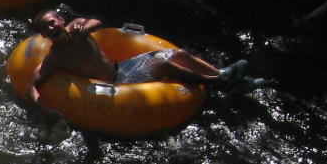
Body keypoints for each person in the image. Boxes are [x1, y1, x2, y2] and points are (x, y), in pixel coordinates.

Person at [24, 9, 253, 114]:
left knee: (180, 54)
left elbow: (96, 22)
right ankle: (220, 83)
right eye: (45, 28)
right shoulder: (56, 57)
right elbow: (32, 85)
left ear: (61, 20)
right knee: (164, 66)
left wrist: (85, 27)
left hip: (122, 68)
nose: (50, 28)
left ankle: (223, 75)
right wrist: (43, 107)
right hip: (114, 86)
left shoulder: (79, 28)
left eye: (52, 22)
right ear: (43, 35)